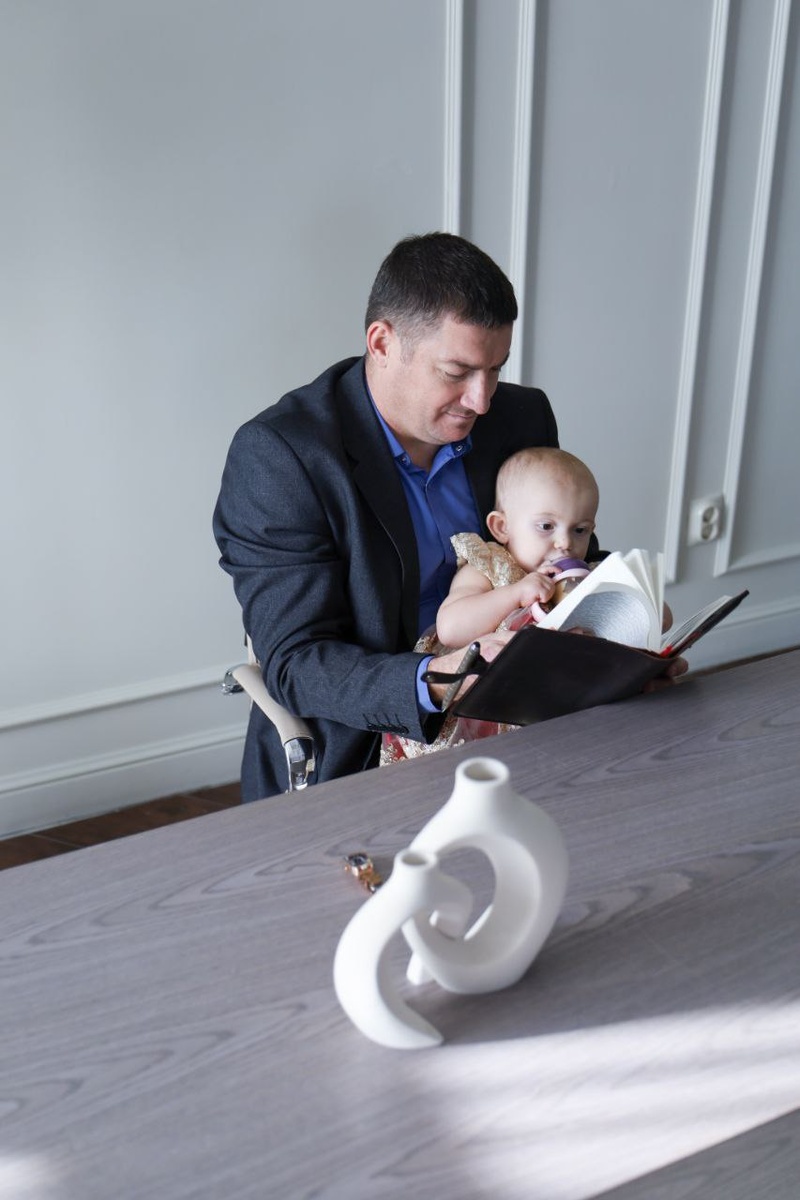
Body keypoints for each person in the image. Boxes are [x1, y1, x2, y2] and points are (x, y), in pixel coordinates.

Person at [213, 232, 684, 801]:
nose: (481, 400)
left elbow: (567, 556)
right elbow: (298, 663)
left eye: (495, 369)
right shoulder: (280, 457)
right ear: (382, 343)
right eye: (456, 371)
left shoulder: (520, 417)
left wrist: (622, 646)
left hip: (531, 712)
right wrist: (442, 677)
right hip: (370, 745)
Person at [380, 446, 600, 764]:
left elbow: (658, 619)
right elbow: (451, 628)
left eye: (580, 530)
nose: (565, 543)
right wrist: (516, 593)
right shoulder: (491, 566)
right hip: (478, 719)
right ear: (501, 527)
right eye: (546, 527)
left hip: (549, 713)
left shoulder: (579, 579)